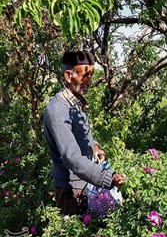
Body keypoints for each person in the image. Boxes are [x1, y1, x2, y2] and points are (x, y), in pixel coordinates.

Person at [43, 50, 126, 215]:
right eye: (84, 76)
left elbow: (81, 134)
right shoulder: (58, 110)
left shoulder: (75, 103)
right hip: (71, 190)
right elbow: (72, 157)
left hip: (84, 184)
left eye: (91, 76)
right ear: (68, 76)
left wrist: (94, 146)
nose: (89, 81)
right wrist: (109, 178)